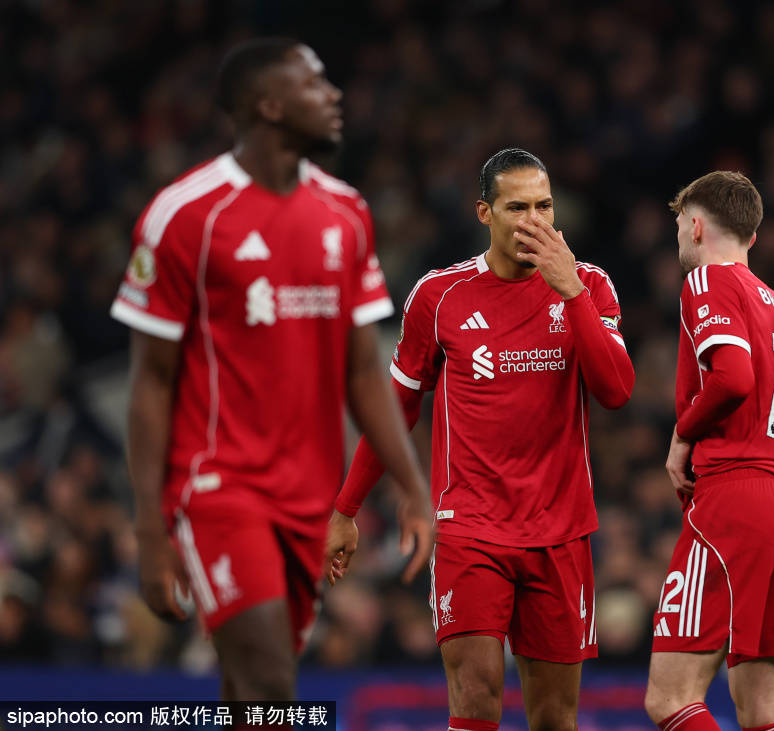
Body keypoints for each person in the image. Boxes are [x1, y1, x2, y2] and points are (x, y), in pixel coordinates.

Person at [111, 38, 432, 701]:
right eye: (314, 83)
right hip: (219, 485)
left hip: (307, 495)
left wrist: (411, 483)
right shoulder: (187, 215)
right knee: (270, 682)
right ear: (269, 105)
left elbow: (363, 373)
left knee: (249, 685)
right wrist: (149, 526)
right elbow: (151, 381)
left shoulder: (346, 213)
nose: (334, 95)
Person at [325, 148, 635, 731]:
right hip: (469, 528)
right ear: (483, 212)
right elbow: (397, 408)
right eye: (517, 208)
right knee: (475, 699)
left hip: (561, 530)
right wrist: (346, 508)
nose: (534, 221)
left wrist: (570, 292)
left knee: (554, 717)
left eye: (544, 206)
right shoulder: (439, 295)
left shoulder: (589, 283)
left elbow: (616, 391)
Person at [644, 172, 774, 731]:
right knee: (763, 712)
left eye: (680, 224)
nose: (679, 235)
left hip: (736, 502)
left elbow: (733, 378)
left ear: (697, 226)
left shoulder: (707, 280)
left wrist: (682, 436)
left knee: (670, 698)